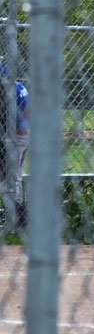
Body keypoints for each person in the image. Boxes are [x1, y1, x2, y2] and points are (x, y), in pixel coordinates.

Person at [0, 64, 28, 229]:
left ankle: (16, 214)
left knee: (10, 176)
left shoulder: (12, 90)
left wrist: (19, 130)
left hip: (18, 136)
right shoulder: (19, 86)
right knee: (15, 174)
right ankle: (16, 212)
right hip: (23, 135)